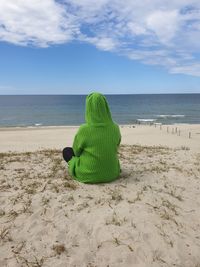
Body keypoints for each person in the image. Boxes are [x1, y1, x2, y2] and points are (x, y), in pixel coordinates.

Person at [62, 92, 121, 183]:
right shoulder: (115, 127)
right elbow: (116, 147)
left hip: (88, 173)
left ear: (88, 109)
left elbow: (76, 152)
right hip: (112, 173)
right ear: (106, 107)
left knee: (67, 151)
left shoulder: (84, 129)